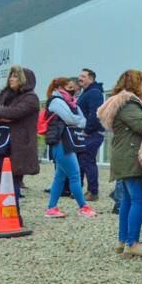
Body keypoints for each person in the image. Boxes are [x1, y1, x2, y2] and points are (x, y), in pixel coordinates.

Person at [98, 69, 142, 257]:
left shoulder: (119, 101)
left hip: (123, 155)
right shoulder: (128, 103)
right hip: (131, 156)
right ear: (135, 83)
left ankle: (123, 241)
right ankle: (132, 243)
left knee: (128, 201)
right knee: (140, 199)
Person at [43, 77, 96, 218]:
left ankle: (51, 208)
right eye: (71, 87)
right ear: (61, 87)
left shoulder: (70, 103)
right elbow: (72, 119)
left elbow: (81, 121)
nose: (74, 90)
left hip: (67, 142)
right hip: (61, 142)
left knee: (60, 177)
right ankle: (83, 206)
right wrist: (76, 121)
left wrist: (76, 121)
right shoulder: (56, 101)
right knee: (74, 175)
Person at [0, 67, 40, 201]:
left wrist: (2, 112)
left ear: (24, 80)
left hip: (19, 145)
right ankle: (8, 214)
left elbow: (15, 113)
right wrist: (2, 113)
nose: (11, 79)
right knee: (5, 179)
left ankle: (14, 216)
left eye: (15, 76)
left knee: (13, 180)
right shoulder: (8, 96)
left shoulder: (31, 98)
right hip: (5, 143)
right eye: (11, 76)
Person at [76, 68, 104, 202]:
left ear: (91, 79)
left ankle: (93, 192)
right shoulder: (85, 93)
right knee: (82, 161)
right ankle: (81, 189)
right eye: (79, 76)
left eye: (83, 76)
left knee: (88, 161)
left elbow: (95, 114)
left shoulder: (94, 93)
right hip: (88, 133)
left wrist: (87, 130)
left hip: (92, 134)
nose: (79, 78)